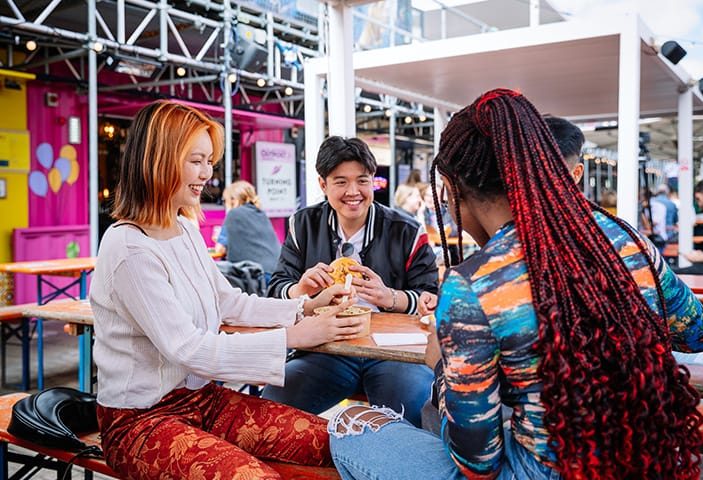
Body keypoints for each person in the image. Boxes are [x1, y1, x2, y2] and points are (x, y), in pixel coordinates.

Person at [328, 89, 703, 480]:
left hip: (539, 472)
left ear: (453, 190)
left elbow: (477, 461)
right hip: (645, 460)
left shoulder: (473, 285)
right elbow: (694, 333)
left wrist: (441, 365)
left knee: (350, 424)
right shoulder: (626, 240)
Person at [90, 100, 366, 479]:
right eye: (196, 160)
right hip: (141, 422)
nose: (207, 173)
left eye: (210, 162)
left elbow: (228, 302)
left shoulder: (185, 228)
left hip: (204, 399)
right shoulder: (128, 246)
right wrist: (293, 336)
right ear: (158, 160)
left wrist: (306, 306)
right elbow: (188, 349)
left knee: (337, 440)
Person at [264, 136, 438, 428]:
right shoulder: (303, 225)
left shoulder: (406, 231)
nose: (353, 192)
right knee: (270, 411)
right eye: (341, 182)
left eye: (362, 180)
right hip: (326, 349)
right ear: (323, 184)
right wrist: (301, 291)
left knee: (405, 421)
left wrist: (390, 297)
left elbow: (431, 296)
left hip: (396, 355)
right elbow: (276, 288)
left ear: (373, 182)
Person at [219, 180, 281, 283]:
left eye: (225, 200)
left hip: (254, 275)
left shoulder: (233, 214)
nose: (225, 204)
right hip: (276, 271)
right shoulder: (261, 214)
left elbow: (220, 249)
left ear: (233, 200)